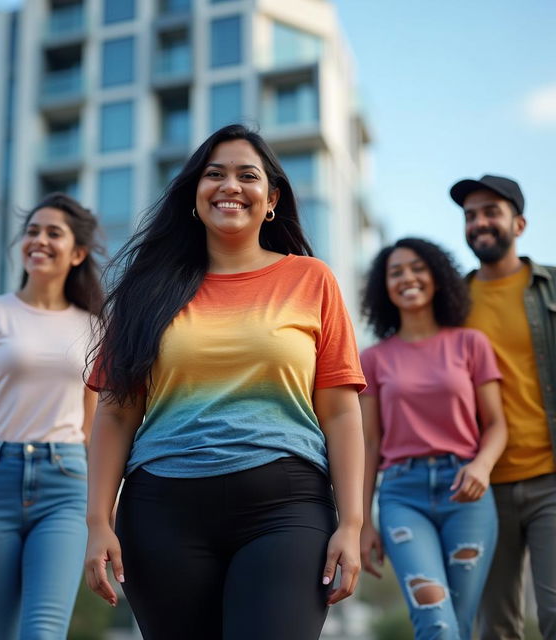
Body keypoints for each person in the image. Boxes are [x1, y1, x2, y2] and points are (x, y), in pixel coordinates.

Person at [84, 124, 366, 640]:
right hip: (160, 515)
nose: (229, 186)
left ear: (271, 198)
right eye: (214, 175)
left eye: (247, 175)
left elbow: (342, 412)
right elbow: (117, 410)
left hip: (285, 509)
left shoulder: (311, 279)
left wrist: (351, 523)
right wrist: (97, 521)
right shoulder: (148, 289)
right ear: (195, 195)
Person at [0, 193, 103, 639]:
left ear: (78, 253)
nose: (39, 240)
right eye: (32, 230)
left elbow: (94, 429)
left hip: (65, 483)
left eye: (54, 233)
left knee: (44, 631)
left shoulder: (93, 327)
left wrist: (102, 515)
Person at [359, 237, 507, 640]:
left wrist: (481, 465)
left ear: (437, 278)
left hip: (467, 493)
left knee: (458, 622)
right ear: (384, 287)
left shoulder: (470, 344)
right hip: (402, 496)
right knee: (436, 622)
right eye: (396, 272)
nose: (408, 277)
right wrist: (361, 522)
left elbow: (496, 424)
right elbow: (369, 444)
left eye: (417, 268)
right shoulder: (373, 359)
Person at [449, 174, 556, 640]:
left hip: (550, 476)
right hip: (481, 486)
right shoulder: (450, 305)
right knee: (495, 627)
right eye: (471, 215)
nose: (479, 223)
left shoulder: (550, 289)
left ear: (520, 222)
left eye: (491, 211)